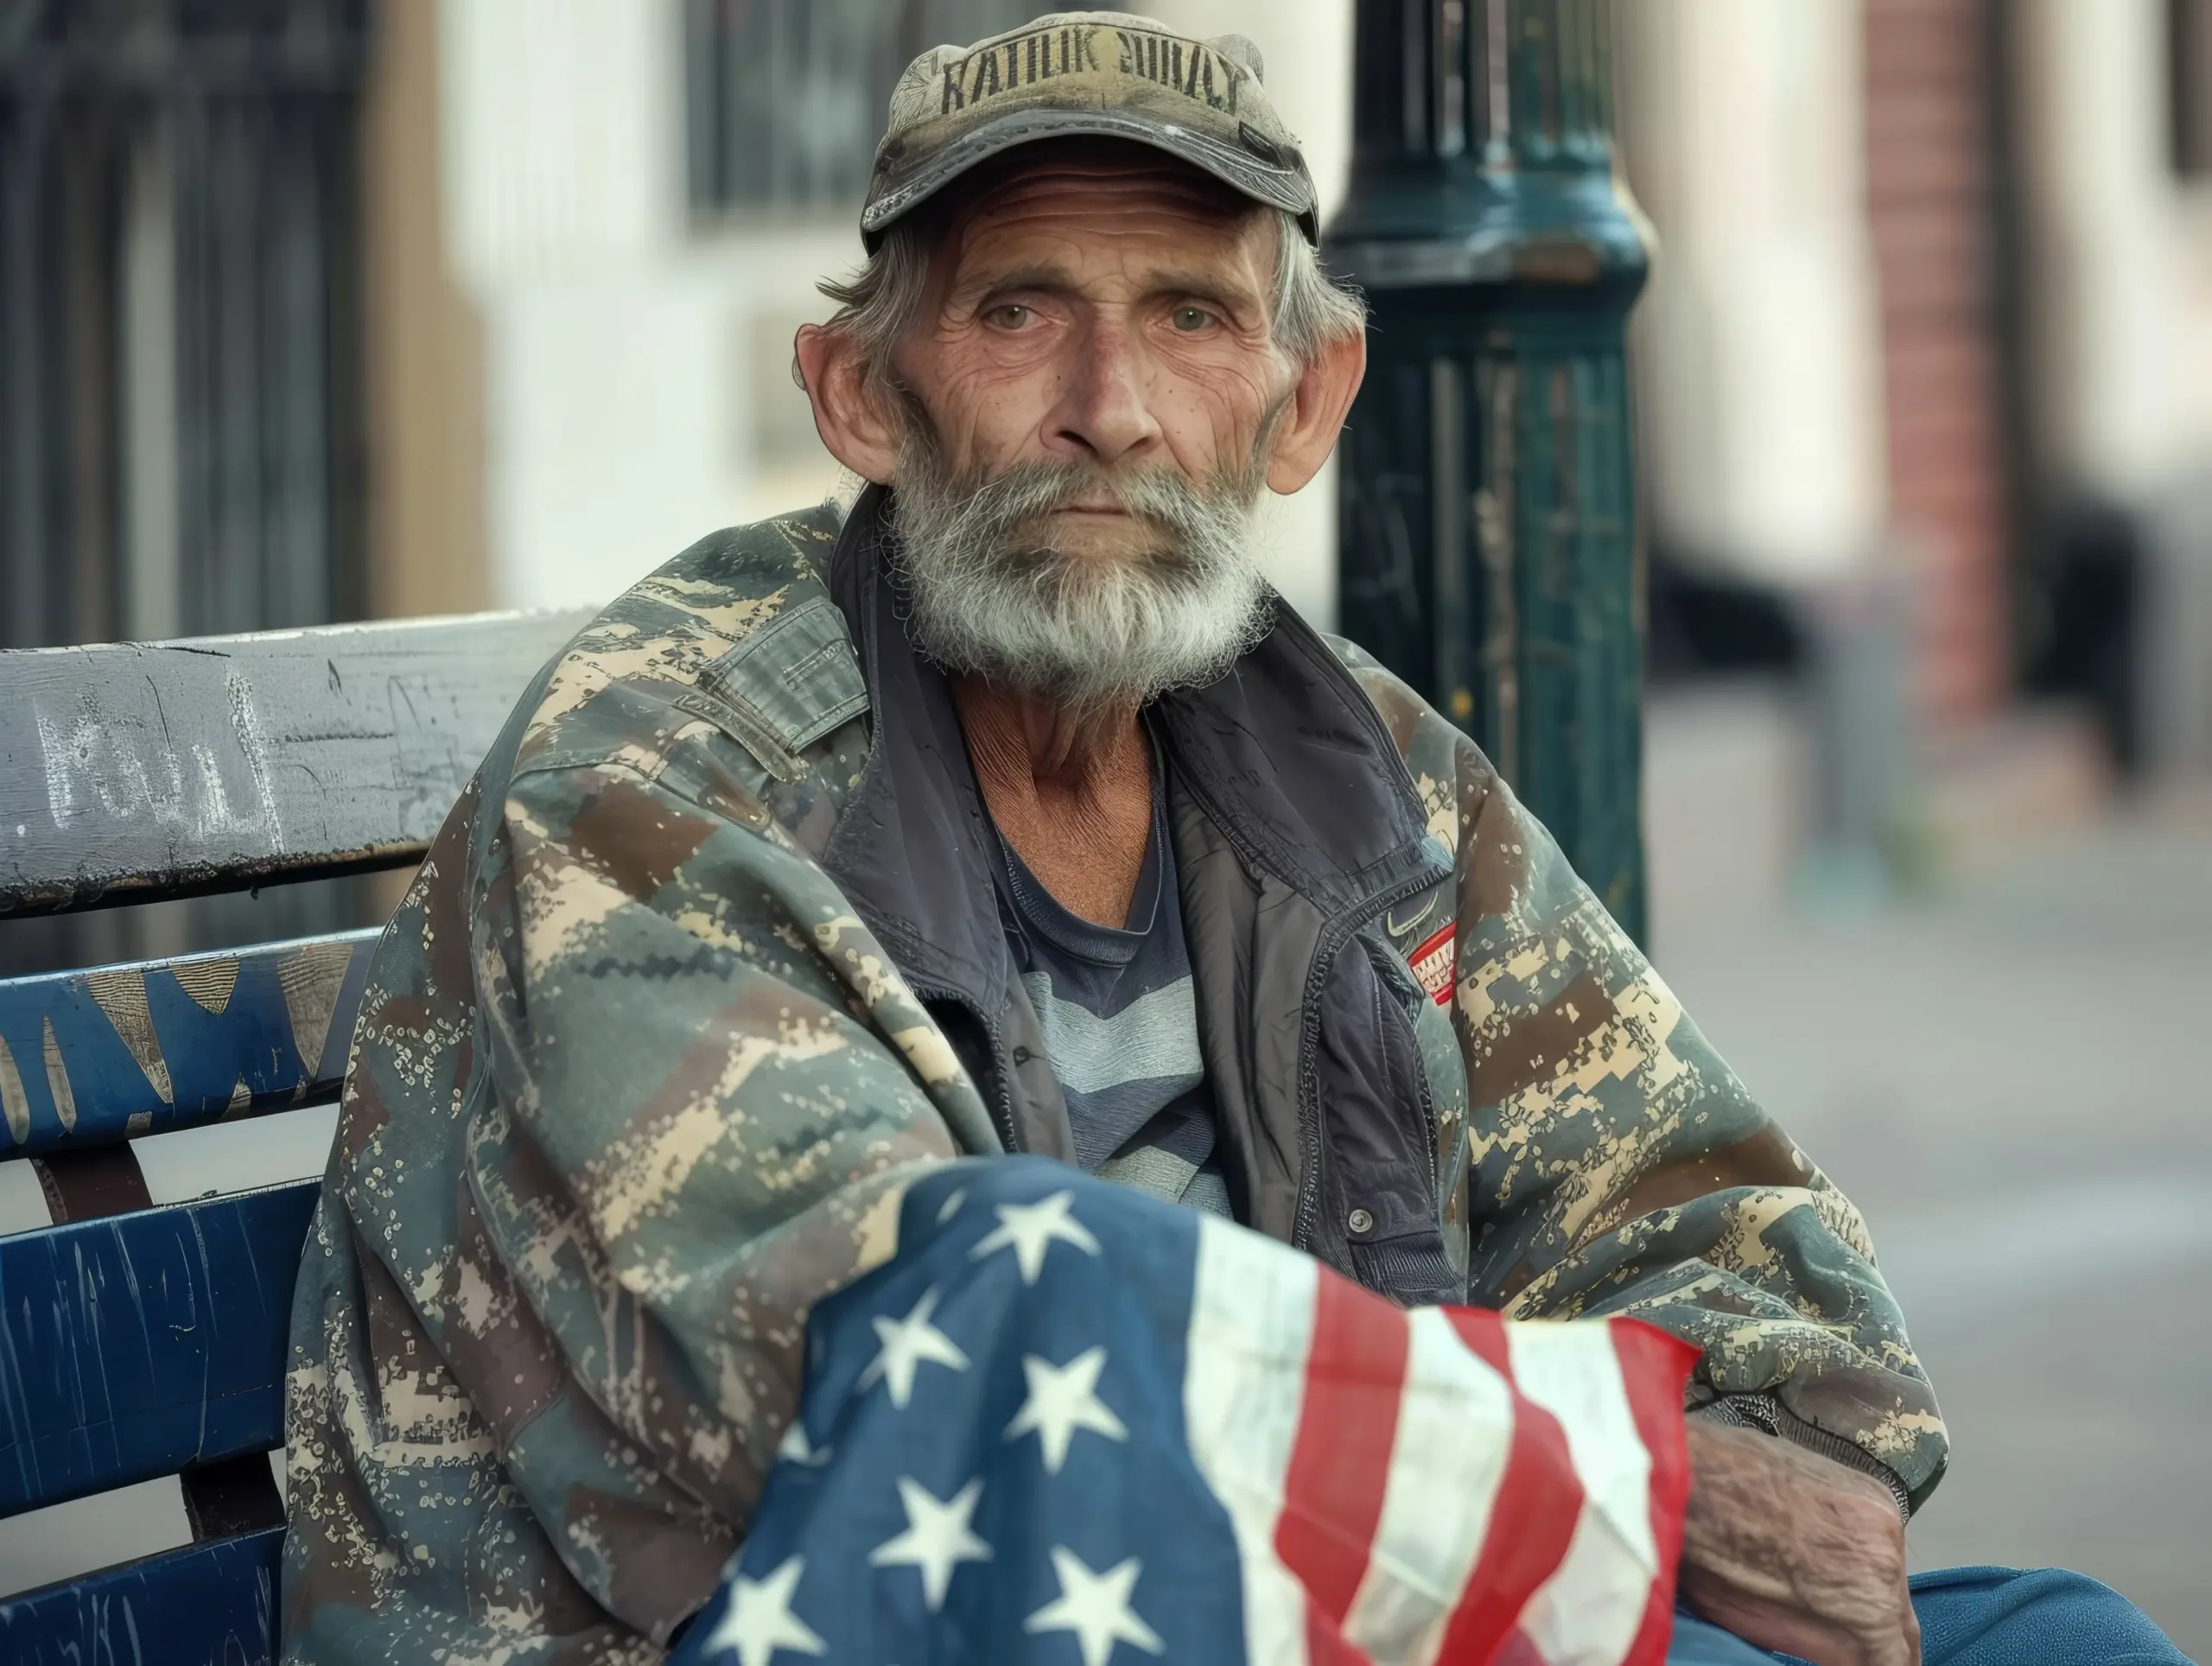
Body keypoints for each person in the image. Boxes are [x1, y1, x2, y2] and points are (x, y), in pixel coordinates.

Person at [278, 13, 2187, 1665]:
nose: (1105, 412)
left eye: (1186, 316)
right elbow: (940, 1349)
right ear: (863, 391)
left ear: (1298, 403)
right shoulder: (654, 775)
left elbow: (1745, 1260)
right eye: (1019, 310)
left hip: (1284, 1590)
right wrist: (1638, 1484)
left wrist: (1677, 1485)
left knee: (2063, 1641)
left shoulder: (1335, 760)